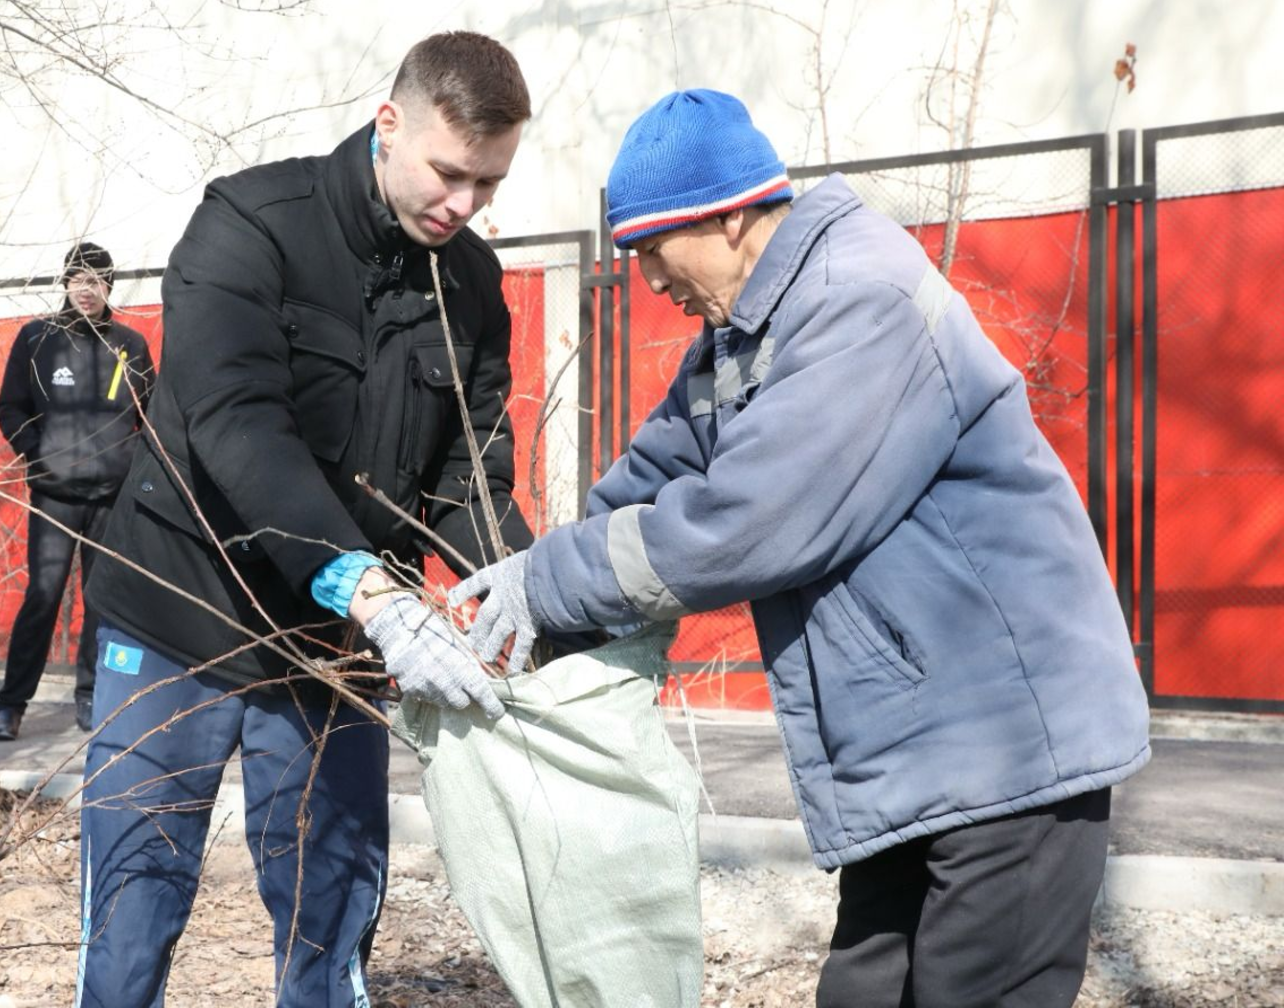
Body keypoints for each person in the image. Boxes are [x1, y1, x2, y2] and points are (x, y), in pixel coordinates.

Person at [452, 90, 1151, 1007]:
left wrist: (547, 586)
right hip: (916, 759)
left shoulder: (862, 299)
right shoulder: (739, 342)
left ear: (730, 216)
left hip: (1009, 755)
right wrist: (512, 617)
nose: (648, 281)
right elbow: (648, 484)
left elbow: (749, 523)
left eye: (652, 250)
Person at [76, 31, 533, 1007]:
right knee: (133, 911)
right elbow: (239, 426)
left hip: (333, 647)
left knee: (331, 919)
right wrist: (372, 590)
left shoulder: (471, 287)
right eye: (450, 173)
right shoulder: (249, 226)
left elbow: (470, 476)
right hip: (179, 618)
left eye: (488, 185)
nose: (464, 205)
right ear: (388, 124)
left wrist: (525, 594)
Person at [0, 241, 153, 741]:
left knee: (101, 600)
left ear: (110, 287)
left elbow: (153, 415)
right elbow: (9, 408)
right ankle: (11, 704)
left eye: (98, 280)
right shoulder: (38, 339)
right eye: (79, 278)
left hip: (111, 495)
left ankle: (92, 695)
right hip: (55, 492)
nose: (88, 289)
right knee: (42, 595)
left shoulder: (130, 345)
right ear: (64, 283)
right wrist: (39, 455)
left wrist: (132, 465)